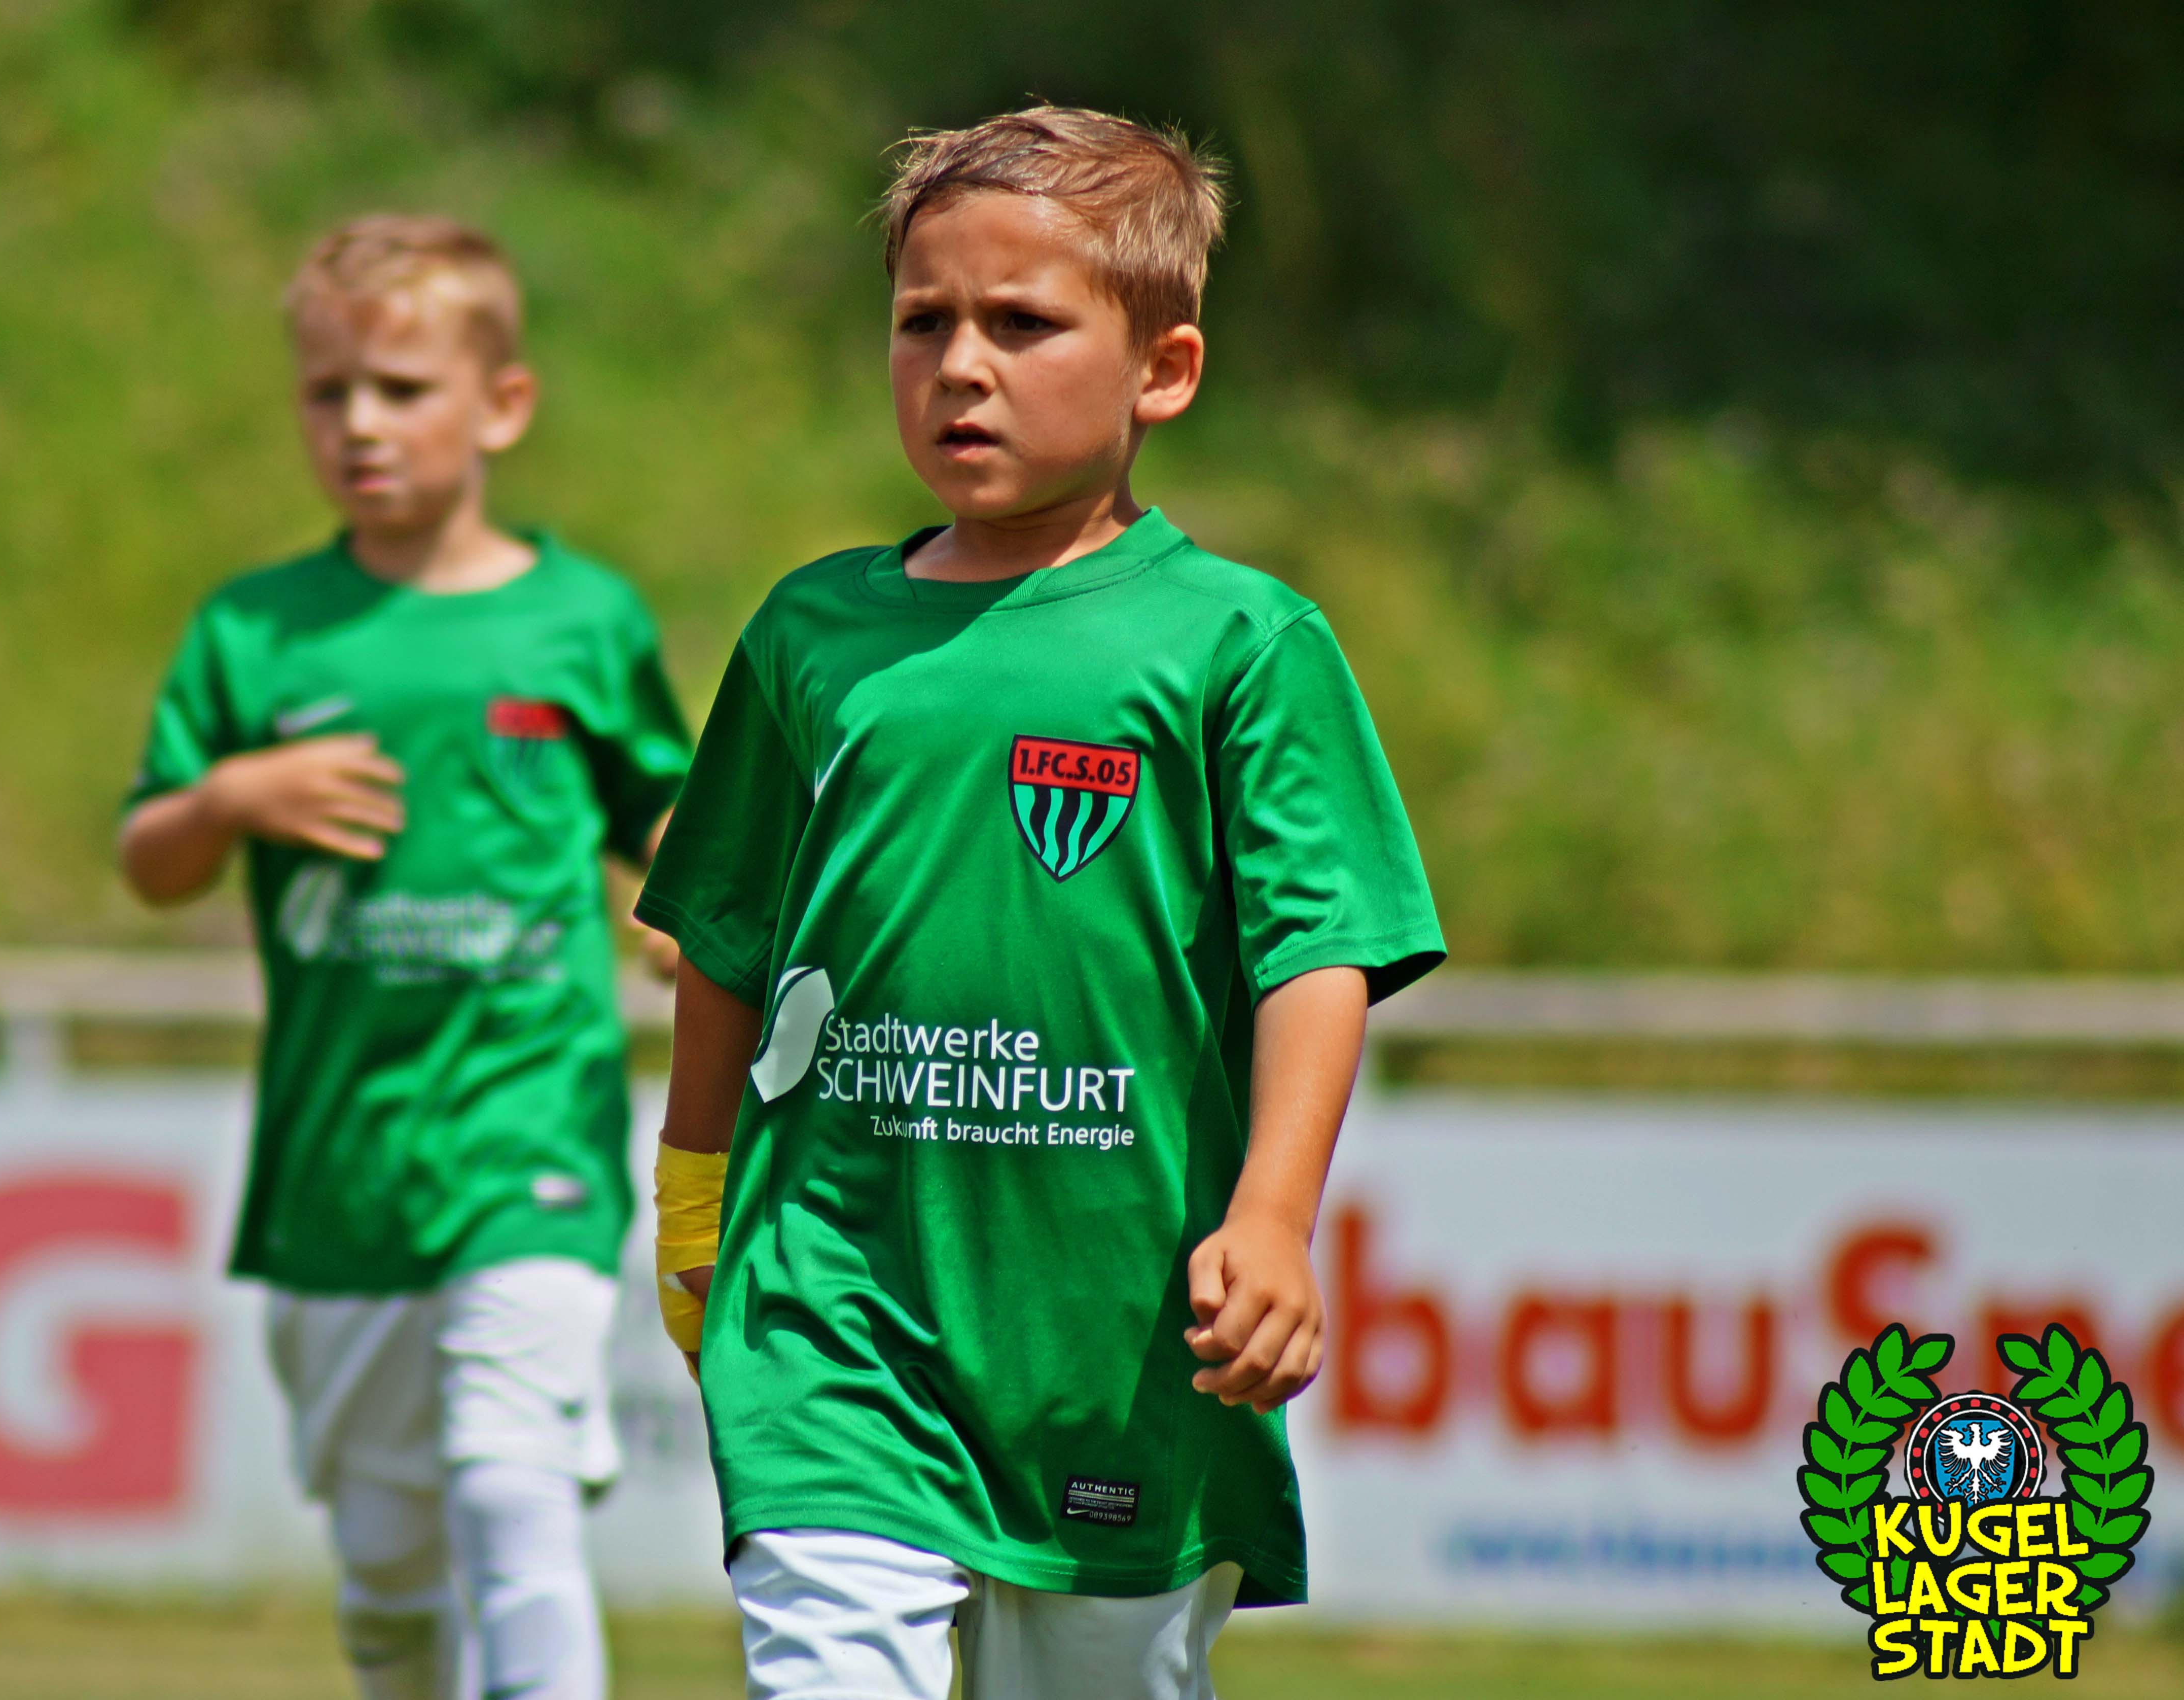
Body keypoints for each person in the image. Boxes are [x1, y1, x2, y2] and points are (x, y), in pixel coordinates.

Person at [637, 109, 1444, 1699]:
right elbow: (723, 942)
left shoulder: (1241, 645)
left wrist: (1272, 1219)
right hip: (834, 1307)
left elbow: (1320, 951)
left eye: (1021, 324)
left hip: (1113, 1336)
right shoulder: (810, 635)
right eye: (921, 322)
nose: (959, 366)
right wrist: (690, 1193)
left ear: (1165, 370)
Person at [118, 215, 691, 1700]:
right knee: (385, 1570)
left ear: (502, 404)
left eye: (402, 388)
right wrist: (229, 800)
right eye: (330, 393)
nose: (361, 424)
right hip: (342, 1165)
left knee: (512, 1490)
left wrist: (689, 916)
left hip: (529, 1134)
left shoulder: (581, 620)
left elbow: (672, 823)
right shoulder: (257, 632)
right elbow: (150, 859)